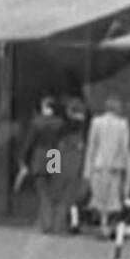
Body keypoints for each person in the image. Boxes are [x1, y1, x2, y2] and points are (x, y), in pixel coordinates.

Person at [83, 95, 130, 238]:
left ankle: (103, 224)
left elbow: (92, 146)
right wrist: (126, 167)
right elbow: (125, 147)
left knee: (100, 196)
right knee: (112, 197)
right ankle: (107, 225)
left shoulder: (96, 122)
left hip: (98, 164)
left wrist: (87, 169)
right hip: (115, 166)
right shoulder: (123, 124)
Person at [19, 96, 67, 234]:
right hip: (54, 154)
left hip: (40, 155)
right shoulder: (59, 123)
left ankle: (46, 222)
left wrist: (23, 158)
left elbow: (29, 142)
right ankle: (53, 221)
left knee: (42, 190)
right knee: (52, 189)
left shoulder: (36, 122)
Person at [56, 98, 88, 233]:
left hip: (64, 162)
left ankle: (60, 224)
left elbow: (56, 147)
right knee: (73, 195)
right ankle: (74, 222)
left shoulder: (62, 127)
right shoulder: (84, 128)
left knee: (62, 195)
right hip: (77, 162)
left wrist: (52, 167)